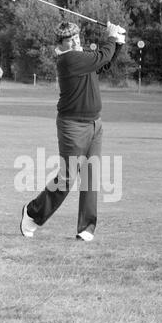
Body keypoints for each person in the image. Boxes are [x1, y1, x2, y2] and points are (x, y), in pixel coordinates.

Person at [20, 21, 126, 242]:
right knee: (67, 178)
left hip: (95, 125)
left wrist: (119, 44)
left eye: (77, 37)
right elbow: (101, 57)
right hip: (72, 126)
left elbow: (104, 65)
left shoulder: (82, 57)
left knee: (90, 176)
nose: (76, 41)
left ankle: (86, 227)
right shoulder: (68, 59)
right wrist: (110, 37)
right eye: (70, 39)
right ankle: (32, 213)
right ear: (61, 44)